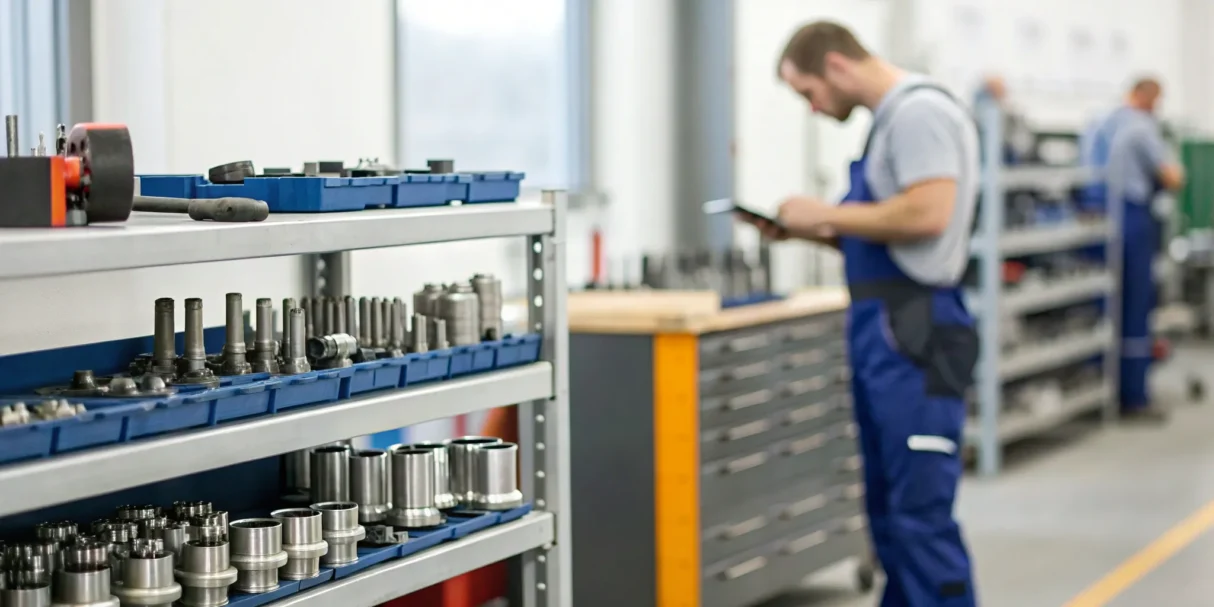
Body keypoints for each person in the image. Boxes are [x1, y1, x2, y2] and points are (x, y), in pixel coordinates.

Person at [740, 21, 980, 606]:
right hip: (887, 332)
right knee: (890, 513)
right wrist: (808, 232)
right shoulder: (889, 124)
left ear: (837, 67)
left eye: (809, 93)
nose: (814, 109)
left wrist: (824, 212)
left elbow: (927, 214)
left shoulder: (918, 114)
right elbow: (885, 240)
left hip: (916, 337)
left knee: (919, 516)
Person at [1082, 78, 1185, 418]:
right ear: (1148, 96)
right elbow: (1172, 177)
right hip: (1131, 219)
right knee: (1135, 307)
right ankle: (1133, 396)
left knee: (1102, 305)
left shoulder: (1100, 123)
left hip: (1094, 219)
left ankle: (1095, 387)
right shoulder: (1142, 127)